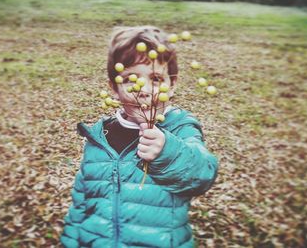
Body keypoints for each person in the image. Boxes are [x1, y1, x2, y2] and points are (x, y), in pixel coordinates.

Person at [61, 25, 218, 248]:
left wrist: (167, 152)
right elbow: (81, 200)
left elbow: (202, 175)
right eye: (129, 79)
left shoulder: (180, 129)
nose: (142, 89)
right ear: (114, 90)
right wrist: (71, 241)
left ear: (172, 85)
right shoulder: (98, 137)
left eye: (155, 78)